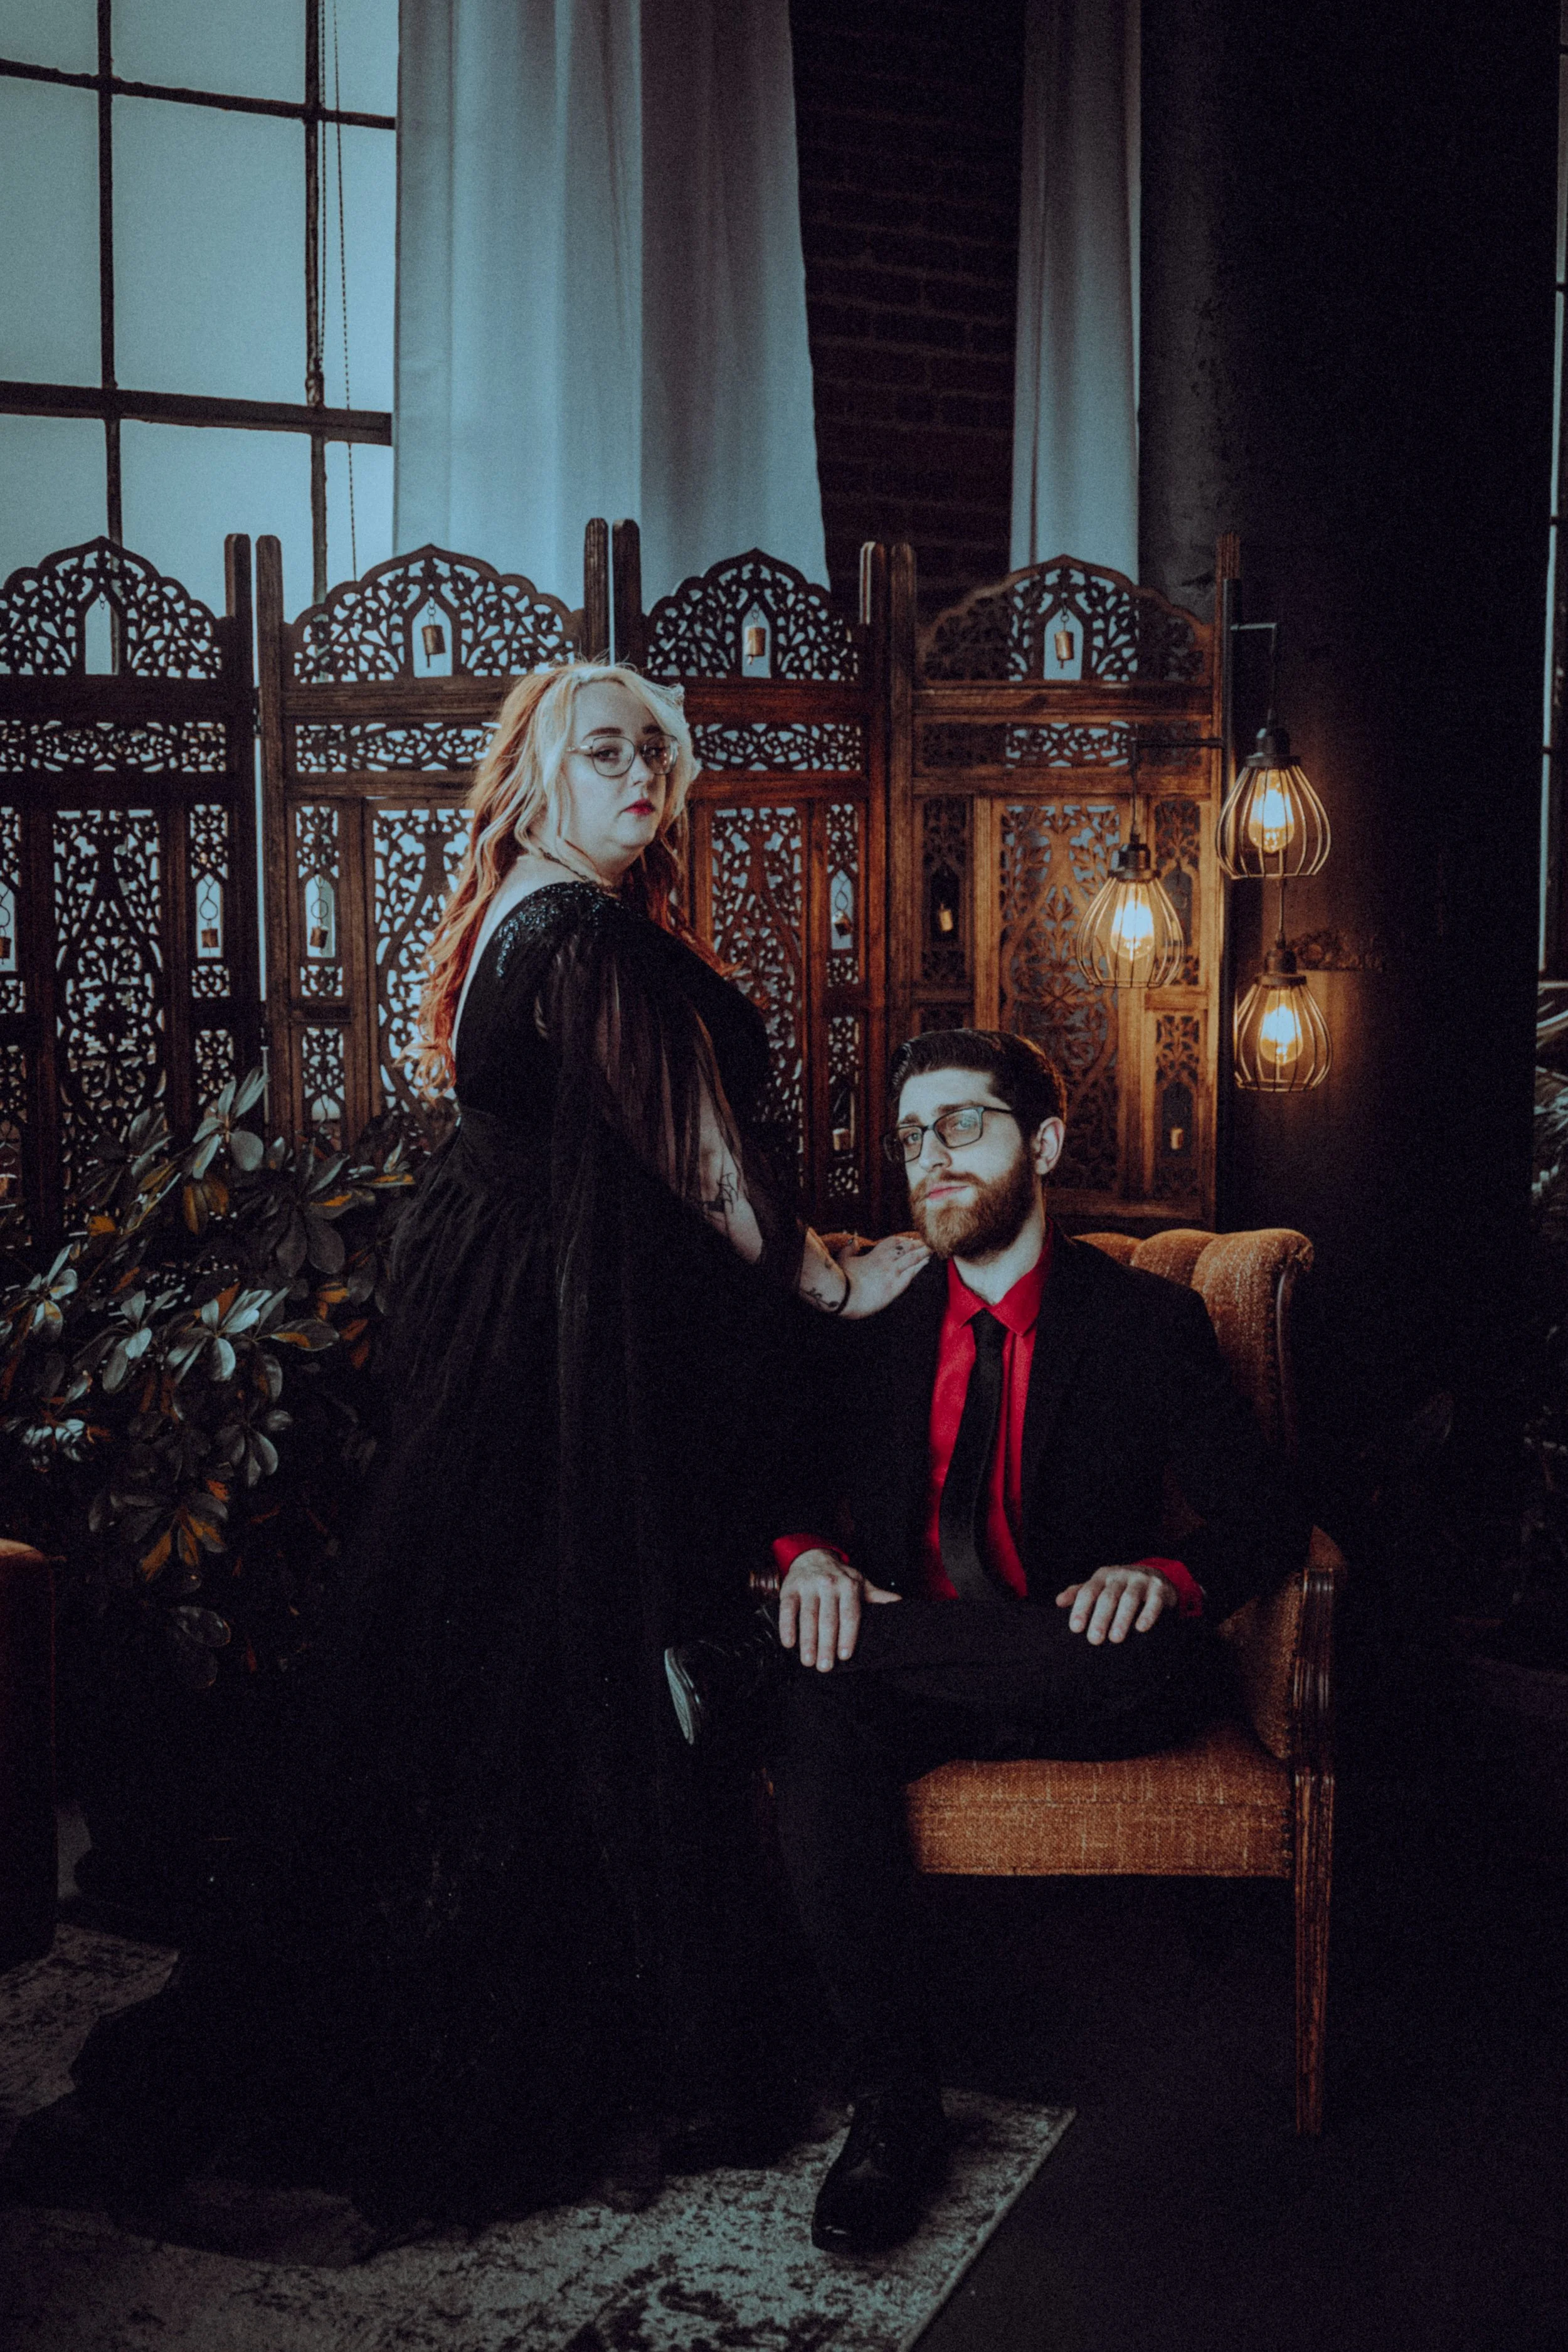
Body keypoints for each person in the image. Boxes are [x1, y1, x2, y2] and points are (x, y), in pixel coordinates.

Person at [7, 663, 927, 2233]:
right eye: (604, 750)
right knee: (519, 1674)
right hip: (547, 1349)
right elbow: (699, 1160)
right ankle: (465, 2038)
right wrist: (836, 1272)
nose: (641, 772)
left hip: (517, 1314)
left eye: (658, 751)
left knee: (498, 1676)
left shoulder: (533, 910)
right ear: (537, 779)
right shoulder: (577, 930)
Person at [667, 1028, 1308, 2257]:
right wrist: (804, 1552)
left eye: (962, 1125)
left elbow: (1266, 1514)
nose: (931, 1159)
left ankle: (755, 1668)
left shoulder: (1145, 1321)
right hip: (921, 1680)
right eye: (914, 1137)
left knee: (877, 1670)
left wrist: (1163, 1574)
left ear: (1043, 1143)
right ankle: (894, 2113)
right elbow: (777, 1484)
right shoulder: (872, 1324)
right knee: (818, 1709)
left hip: (1091, 1665)